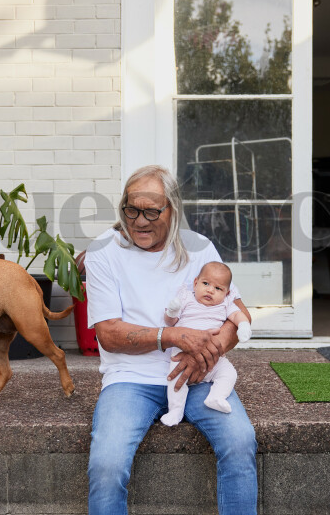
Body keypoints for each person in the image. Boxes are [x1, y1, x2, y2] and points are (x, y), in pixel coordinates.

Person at [85, 165, 258, 515]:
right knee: (106, 464)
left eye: (152, 211)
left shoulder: (200, 249)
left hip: (198, 377)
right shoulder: (103, 251)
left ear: (173, 210)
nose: (140, 221)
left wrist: (206, 354)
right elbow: (109, 333)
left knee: (240, 442)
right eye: (131, 210)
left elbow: (237, 316)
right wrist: (172, 335)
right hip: (130, 380)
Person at [160, 261, 251, 426]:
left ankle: (216, 396)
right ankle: (175, 410)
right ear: (195, 283)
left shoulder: (225, 304)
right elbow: (170, 322)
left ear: (227, 293)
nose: (210, 290)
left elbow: (238, 316)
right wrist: (172, 311)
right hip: (182, 356)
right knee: (175, 381)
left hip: (213, 359)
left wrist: (243, 325)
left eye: (218, 288)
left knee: (229, 373)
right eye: (206, 283)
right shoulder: (186, 298)